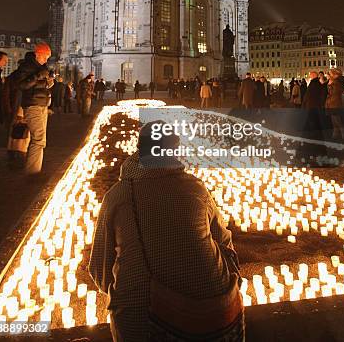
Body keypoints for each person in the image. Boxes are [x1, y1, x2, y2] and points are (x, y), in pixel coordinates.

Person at [89, 123, 243, 342]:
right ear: (175, 151)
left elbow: (99, 270)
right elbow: (225, 243)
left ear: (139, 149)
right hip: (216, 318)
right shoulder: (196, 188)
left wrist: (135, 283)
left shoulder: (118, 196)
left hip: (142, 324)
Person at [14, 43, 53, 177]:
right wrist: (38, 76)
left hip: (42, 104)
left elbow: (39, 85)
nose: (46, 60)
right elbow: (22, 85)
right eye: (45, 57)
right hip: (32, 105)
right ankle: (32, 172)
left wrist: (48, 82)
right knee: (38, 138)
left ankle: (36, 169)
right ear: (37, 54)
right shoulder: (26, 66)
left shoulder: (42, 67)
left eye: (48, 58)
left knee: (41, 140)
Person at [325, 68, 344, 141]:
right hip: (331, 102)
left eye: (330, 73)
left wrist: (330, 85)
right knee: (333, 120)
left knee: (337, 119)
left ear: (335, 75)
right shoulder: (334, 81)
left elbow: (335, 92)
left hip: (335, 102)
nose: (328, 75)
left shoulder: (337, 82)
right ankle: (336, 134)